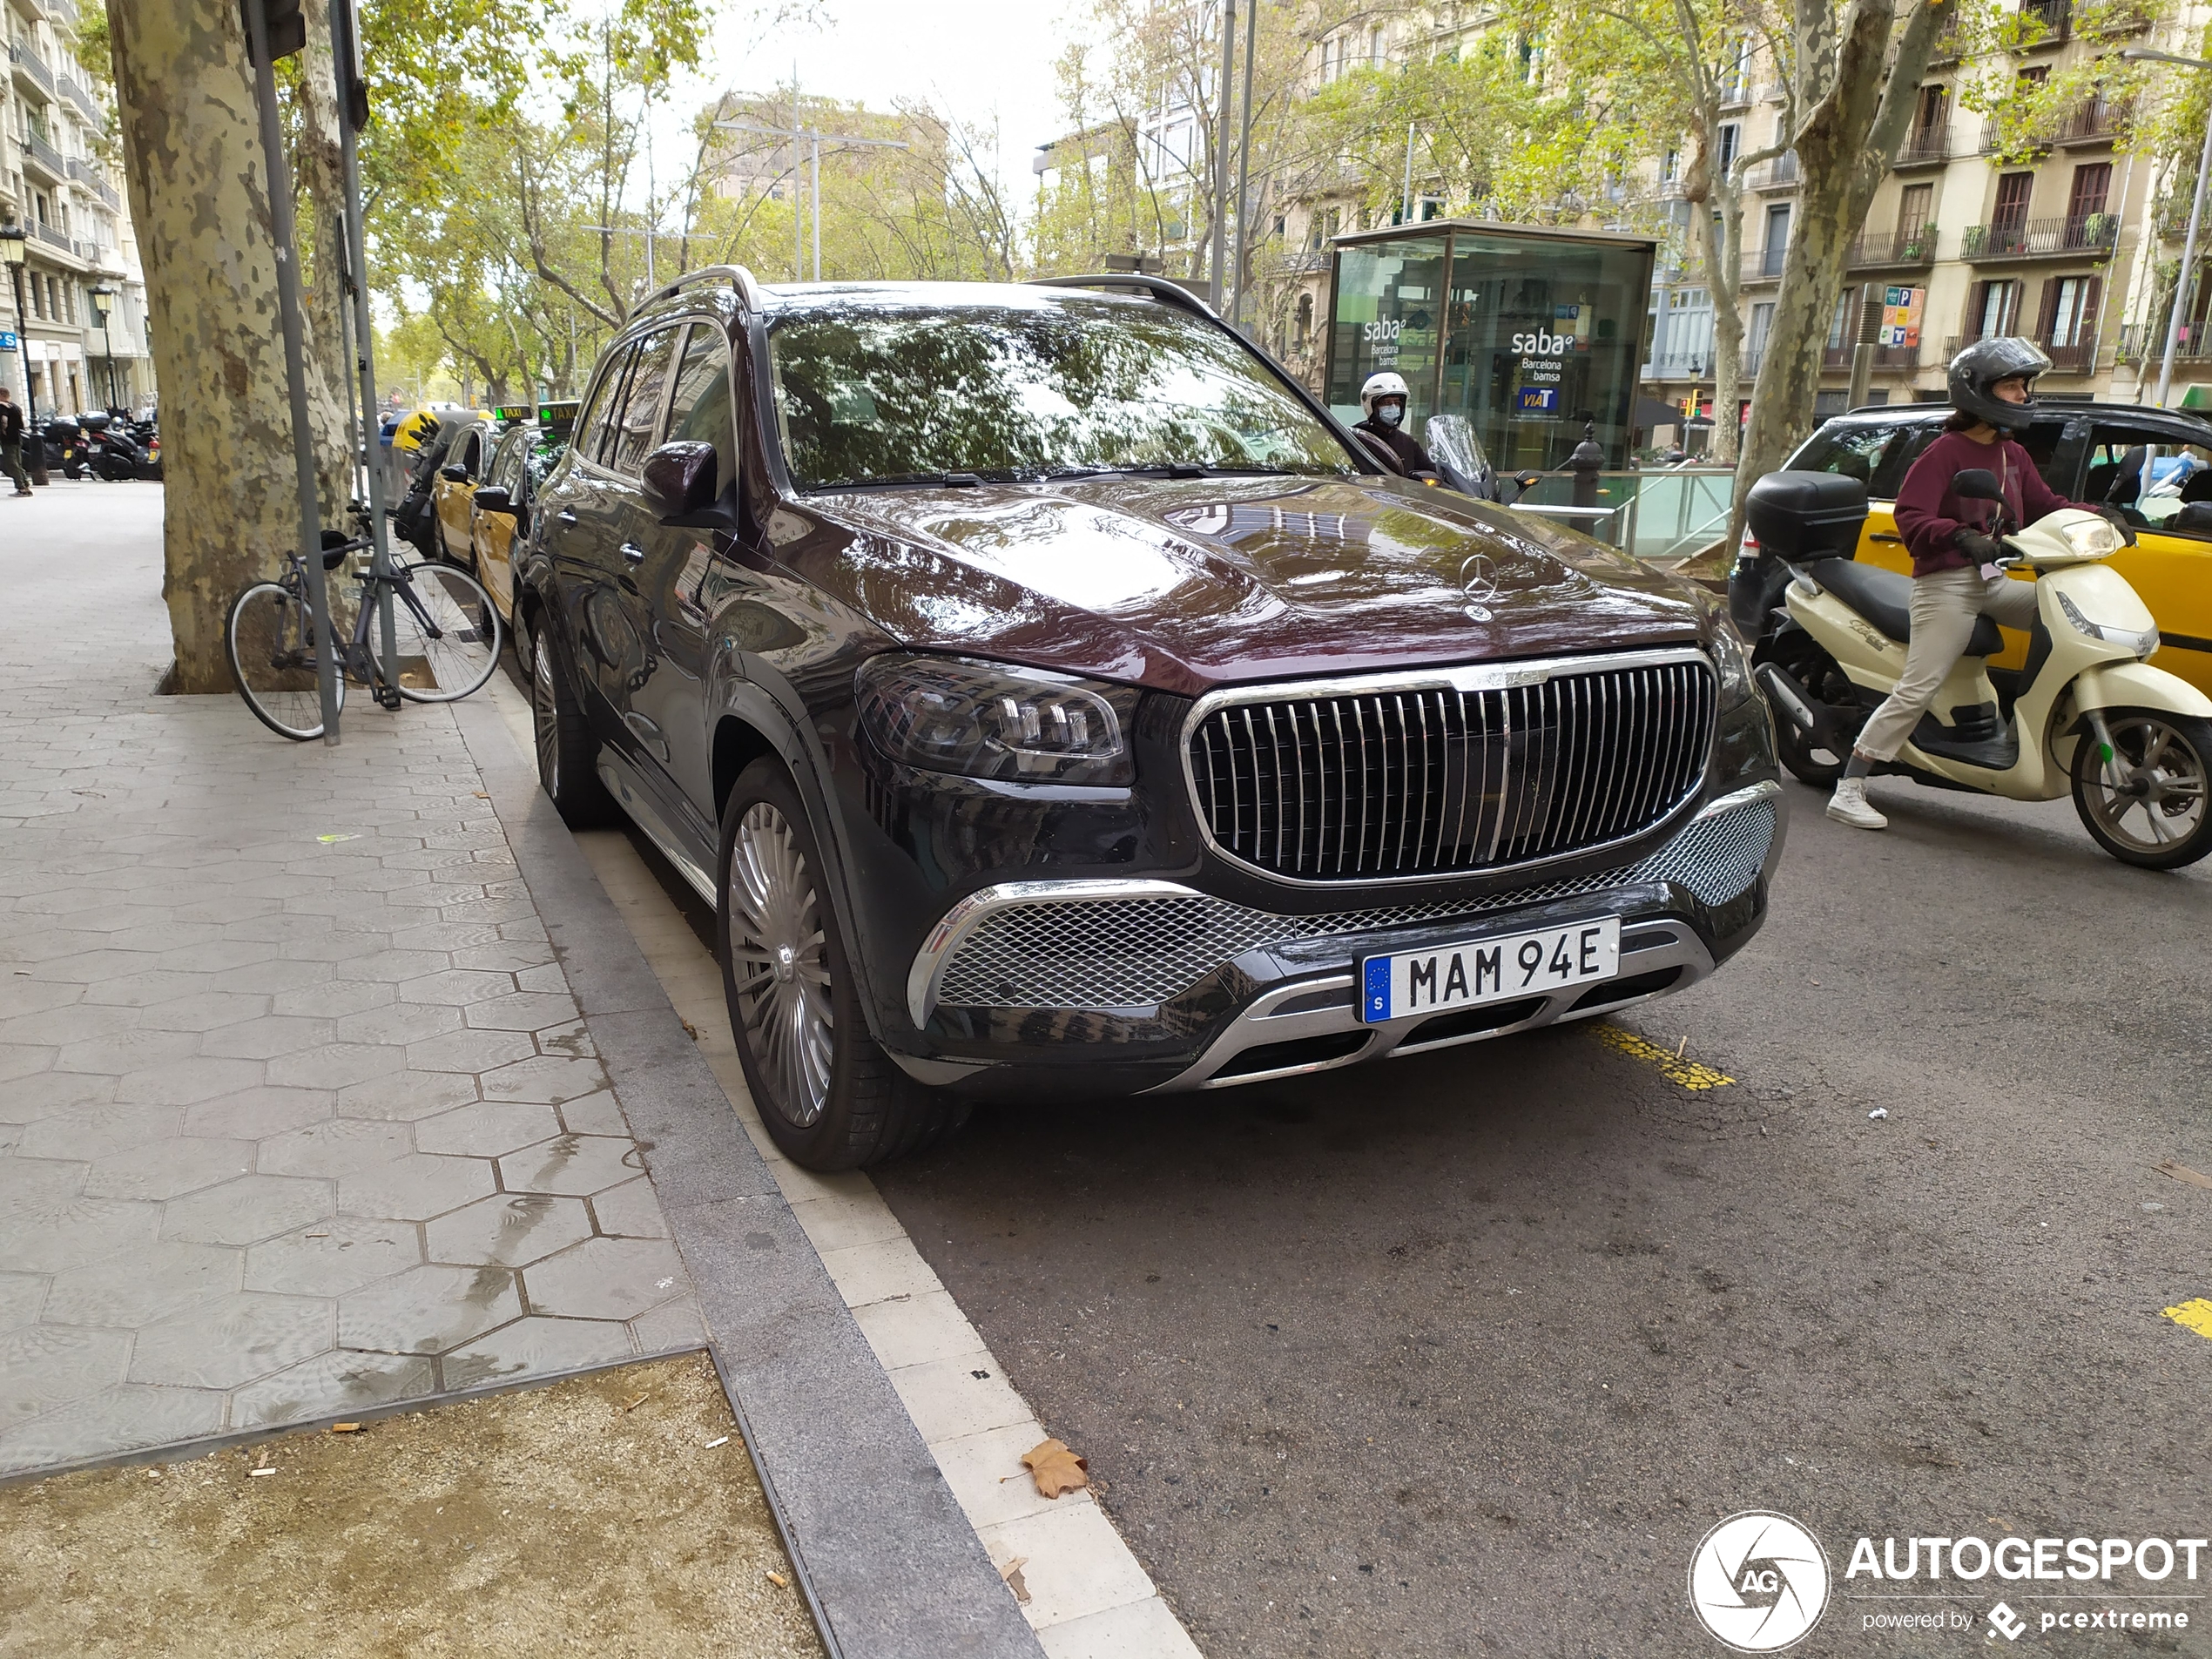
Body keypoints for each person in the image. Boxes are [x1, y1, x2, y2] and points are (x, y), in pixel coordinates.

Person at [1827, 338, 2121, 830]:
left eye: (2025, 387)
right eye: (2012, 387)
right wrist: (1960, 535)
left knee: (2070, 620)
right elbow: (1910, 517)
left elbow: (2047, 504)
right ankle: (1851, 785)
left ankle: (2023, 725)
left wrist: (2103, 515)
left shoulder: (2012, 454)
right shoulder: (1945, 453)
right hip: (1947, 585)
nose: (2024, 396)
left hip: (1994, 582)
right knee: (1919, 685)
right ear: (1979, 392)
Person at [1353, 370, 1433, 475]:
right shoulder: (1355, 437)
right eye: (1386, 403)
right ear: (1371, 404)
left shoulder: (1408, 443)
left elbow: (1430, 469)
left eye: (1397, 403)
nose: (1393, 407)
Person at [0, 386, 30, 497]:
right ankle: (25, 484)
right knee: (18, 463)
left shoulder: (3, 408)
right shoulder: (16, 407)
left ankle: (21, 487)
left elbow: (4, 420)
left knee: (12, 464)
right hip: (17, 437)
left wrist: (3, 430)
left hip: (8, 439)